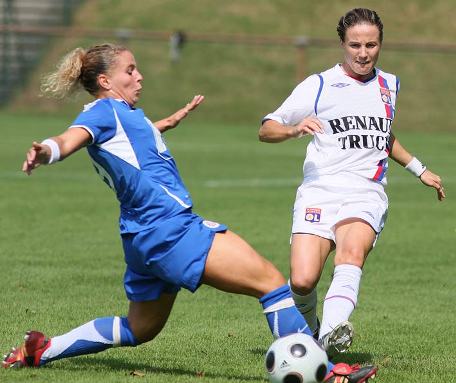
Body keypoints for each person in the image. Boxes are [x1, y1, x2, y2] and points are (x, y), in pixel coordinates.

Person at [2, 43, 376, 383]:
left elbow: (128, 145)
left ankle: (42, 349)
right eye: (130, 70)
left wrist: (161, 126)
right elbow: (73, 137)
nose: (139, 75)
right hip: (171, 232)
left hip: (140, 238)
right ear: (105, 80)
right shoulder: (103, 112)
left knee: (138, 328)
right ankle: (323, 374)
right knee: (272, 284)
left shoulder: (120, 115)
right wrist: (47, 151)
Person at [259, 8, 445, 359]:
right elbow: (266, 128)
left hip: (366, 190)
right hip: (319, 189)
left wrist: (419, 169)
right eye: (355, 45)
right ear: (342, 44)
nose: (363, 53)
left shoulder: (389, 84)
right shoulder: (319, 84)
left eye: (371, 45)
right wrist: (294, 129)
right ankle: (313, 328)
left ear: (380, 45)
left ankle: (331, 334)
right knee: (301, 280)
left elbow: (382, 137)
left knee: (350, 254)